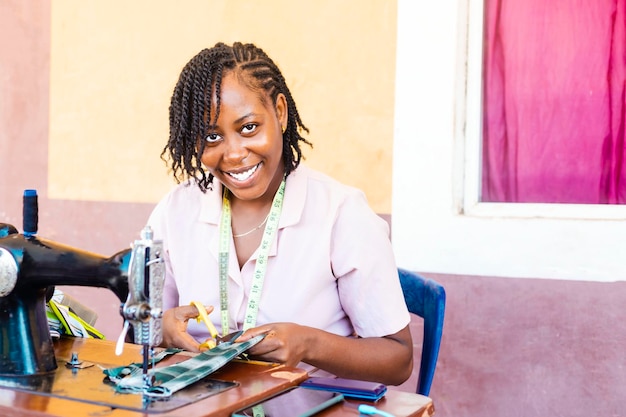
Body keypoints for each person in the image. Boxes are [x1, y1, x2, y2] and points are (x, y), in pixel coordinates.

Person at [148, 41, 413, 385]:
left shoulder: (341, 214)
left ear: (281, 112)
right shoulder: (176, 211)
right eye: (212, 137)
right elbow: (139, 329)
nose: (233, 153)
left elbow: (398, 360)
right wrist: (160, 328)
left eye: (248, 128)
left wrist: (310, 343)